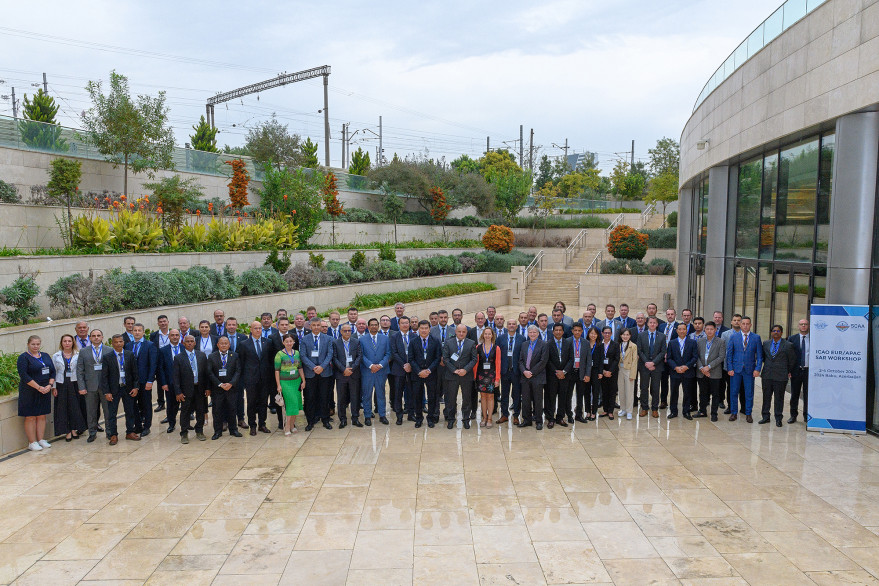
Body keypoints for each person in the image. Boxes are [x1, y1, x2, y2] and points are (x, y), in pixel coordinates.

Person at [18, 335, 55, 451]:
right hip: (30, 391)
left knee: (42, 415)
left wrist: (49, 385)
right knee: (31, 417)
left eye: (38, 344)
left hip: (45, 390)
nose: (35, 346)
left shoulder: (45, 355)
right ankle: (32, 442)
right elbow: (24, 376)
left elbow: (53, 371)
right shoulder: (23, 357)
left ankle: (41, 439)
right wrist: (39, 387)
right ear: (28, 344)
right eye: (33, 344)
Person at [101, 334, 140, 444]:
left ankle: (130, 432)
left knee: (130, 411)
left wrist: (136, 387)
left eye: (120, 342)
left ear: (123, 342)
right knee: (112, 413)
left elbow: (135, 373)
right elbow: (104, 376)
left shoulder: (129, 354)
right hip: (114, 390)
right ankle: (113, 435)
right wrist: (107, 392)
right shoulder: (107, 357)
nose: (118, 344)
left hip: (128, 388)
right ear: (112, 343)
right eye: (116, 342)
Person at [76, 329, 113, 442]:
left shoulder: (109, 350)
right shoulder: (83, 351)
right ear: (90, 338)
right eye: (93, 336)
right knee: (91, 411)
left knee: (108, 411)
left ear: (102, 337)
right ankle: (92, 432)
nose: (96, 337)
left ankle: (110, 432)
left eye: (98, 335)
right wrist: (81, 387)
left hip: (106, 387)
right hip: (90, 387)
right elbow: (80, 370)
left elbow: (113, 370)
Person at [726, 316, 763, 423]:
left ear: (751, 325)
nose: (745, 326)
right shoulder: (734, 337)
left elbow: (759, 356)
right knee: (733, 392)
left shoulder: (756, 338)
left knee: (749, 392)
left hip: (749, 370)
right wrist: (730, 368)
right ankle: (733, 413)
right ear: (740, 325)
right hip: (735, 370)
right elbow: (730, 354)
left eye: (748, 324)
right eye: (743, 324)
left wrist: (757, 369)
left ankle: (748, 413)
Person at [173, 334, 209, 443]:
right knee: (185, 412)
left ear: (195, 343)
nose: (189, 343)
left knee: (200, 410)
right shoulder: (179, 357)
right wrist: (178, 392)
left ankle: (199, 431)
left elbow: (206, 374)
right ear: (183, 344)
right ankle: (184, 433)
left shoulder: (201, 355)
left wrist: (207, 388)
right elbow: (176, 377)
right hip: (186, 390)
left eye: (191, 341)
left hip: (200, 388)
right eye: (187, 341)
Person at [300, 317, 335, 431]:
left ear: (321, 326)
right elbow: (303, 356)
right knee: (310, 397)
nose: (316, 327)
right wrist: (313, 367)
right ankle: (310, 421)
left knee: (324, 397)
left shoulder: (328, 339)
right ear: (310, 326)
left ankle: (325, 419)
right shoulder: (304, 339)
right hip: (310, 373)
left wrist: (322, 367)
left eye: (318, 325)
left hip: (325, 373)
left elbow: (330, 354)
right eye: (313, 325)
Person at [760, 325, 797, 427]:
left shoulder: (788, 345)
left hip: (781, 376)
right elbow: (763, 358)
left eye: (778, 331)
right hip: (767, 374)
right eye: (774, 331)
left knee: (779, 398)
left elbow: (792, 360)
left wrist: (787, 371)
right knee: (766, 397)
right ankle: (765, 416)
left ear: (781, 333)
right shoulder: (766, 343)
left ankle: (778, 418)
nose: (776, 332)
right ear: (771, 332)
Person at [240, 322, 272, 435]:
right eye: (256, 328)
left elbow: (270, 360)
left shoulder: (268, 342)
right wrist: (243, 380)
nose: (258, 330)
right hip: (251, 379)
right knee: (251, 403)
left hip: (265, 378)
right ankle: (252, 425)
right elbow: (241, 363)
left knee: (264, 402)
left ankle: (262, 424)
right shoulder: (244, 344)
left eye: (260, 328)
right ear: (251, 329)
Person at [443, 324, 477, 429]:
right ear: (456, 332)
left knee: (466, 399)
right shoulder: (448, 342)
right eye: (459, 332)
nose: (461, 334)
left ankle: (466, 419)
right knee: (451, 399)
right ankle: (451, 419)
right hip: (452, 375)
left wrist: (465, 370)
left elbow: (474, 359)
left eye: (464, 332)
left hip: (466, 376)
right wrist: (454, 370)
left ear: (466, 333)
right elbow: (446, 358)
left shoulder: (471, 343)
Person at [406, 320, 440, 428]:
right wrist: (419, 371)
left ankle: (430, 418)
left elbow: (438, 358)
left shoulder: (435, 341)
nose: (424, 330)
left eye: (426, 328)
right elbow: (411, 359)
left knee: (432, 397)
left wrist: (429, 370)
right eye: (422, 328)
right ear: (418, 329)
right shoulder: (413, 341)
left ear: (429, 329)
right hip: (417, 374)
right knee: (417, 397)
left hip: (431, 374)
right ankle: (419, 418)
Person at [52, 334, 85, 441]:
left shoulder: (78, 355)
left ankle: (74, 429)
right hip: (61, 384)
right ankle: (67, 431)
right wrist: (54, 387)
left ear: (73, 343)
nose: (67, 343)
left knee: (74, 407)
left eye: (69, 341)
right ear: (61, 343)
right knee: (62, 408)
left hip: (74, 384)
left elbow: (81, 371)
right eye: (65, 341)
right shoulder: (56, 356)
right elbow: (53, 372)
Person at [208, 335, 242, 440]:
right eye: (221, 343)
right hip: (217, 389)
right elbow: (210, 373)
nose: (223, 345)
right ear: (218, 345)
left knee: (232, 409)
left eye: (226, 343)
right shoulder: (212, 356)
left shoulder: (235, 355)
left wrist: (231, 383)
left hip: (231, 388)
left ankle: (233, 430)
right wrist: (219, 384)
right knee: (217, 411)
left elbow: (238, 371)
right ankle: (217, 432)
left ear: (229, 344)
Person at [127, 323, 157, 437]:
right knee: (133, 405)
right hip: (132, 382)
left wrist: (150, 381)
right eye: (135, 330)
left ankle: (147, 426)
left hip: (145, 381)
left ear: (143, 332)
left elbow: (153, 364)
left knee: (146, 404)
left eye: (139, 330)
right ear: (132, 332)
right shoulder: (128, 345)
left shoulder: (150, 345)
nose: (137, 332)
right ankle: (138, 425)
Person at [360, 318, 391, 426]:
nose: (373, 327)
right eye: (371, 325)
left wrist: (380, 365)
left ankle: (382, 415)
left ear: (378, 326)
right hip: (367, 371)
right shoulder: (362, 339)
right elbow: (361, 355)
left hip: (381, 371)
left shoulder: (385, 338)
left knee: (381, 394)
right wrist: (371, 365)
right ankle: (367, 415)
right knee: (367, 395)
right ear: (368, 327)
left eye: (375, 325)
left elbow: (388, 354)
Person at [518, 325, 548, 429]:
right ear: (527, 333)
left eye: (534, 332)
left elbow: (543, 361)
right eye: (530, 332)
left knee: (538, 400)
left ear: (538, 333)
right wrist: (524, 371)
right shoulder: (524, 344)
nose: (532, 334)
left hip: (537, 376)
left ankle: (539, 421)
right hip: (525, 376)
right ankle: (527, 420)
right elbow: (520, 360)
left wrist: (531, 372)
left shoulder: (543, 344)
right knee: (525, 400)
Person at [274, 333, 304, 435]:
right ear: (283, 342)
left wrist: (303, 380)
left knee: (296, 403)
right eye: (287, 341)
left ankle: (292, 425)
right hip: (285, 382)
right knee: (291, 404)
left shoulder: (296, 353)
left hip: (296, 381)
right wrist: (278, 385)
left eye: (291, 341)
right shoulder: (279, 354)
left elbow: (300, 368)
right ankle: (286, 426)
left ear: (294, 342)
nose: (289, 343)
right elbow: (277, 371)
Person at [666, 323, 697, 420]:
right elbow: (669, 358)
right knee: (674, 392)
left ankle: (686, 411)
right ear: (677, 331)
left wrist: (686, 366)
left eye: (684, 329)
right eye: (680, 329)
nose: (682, 331)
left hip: (688, 372)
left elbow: (695, 357)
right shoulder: (672, 342)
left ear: (686, 330)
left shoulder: (692, 342)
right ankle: (673, 411)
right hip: (675, 372)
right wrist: (676, 367)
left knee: (687, 392)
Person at [333, 324, 362, 428]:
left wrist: (352, 369)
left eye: (349, 331)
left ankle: (355, 418)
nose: (347, 333)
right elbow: (334, 358)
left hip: (354, 374)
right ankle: (343, 419)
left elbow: (359, 356)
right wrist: (343, 369)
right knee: (341, 398)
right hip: (341, 375)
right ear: (341, 332)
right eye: (345, 331)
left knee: (355, 397)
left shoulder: (356, 342)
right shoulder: (335, 343)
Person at [696, 322, 726, 421]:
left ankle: (714, 413)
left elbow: (721, 357)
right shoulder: (700, 341)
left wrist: (708, 367)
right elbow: (696, 356)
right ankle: (702, 411)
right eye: (707, 329)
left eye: (711, 329)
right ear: (704, 330)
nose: (709, 331)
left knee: (715, 394)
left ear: (715, 330)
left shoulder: (720, 341)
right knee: (703, 393)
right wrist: (702, 368)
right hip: (701, 372)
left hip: (714, 372)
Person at [637, 317, 667, 418]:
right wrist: (647, 362)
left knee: (655, 388)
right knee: (644, 387)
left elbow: (663, 352)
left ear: (657, 324)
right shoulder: (641, 335)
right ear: (647, 324)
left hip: (656, 367)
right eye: (651, 322)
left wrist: (653, 363)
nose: (652, 324)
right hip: (644, 366)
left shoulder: (662, 336)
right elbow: (639, 350)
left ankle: (654, 408)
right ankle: (644, 408)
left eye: (654, 323)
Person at [497, 318, 524, 425]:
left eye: (514, 324)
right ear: (506, 326)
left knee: (517, 394)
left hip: (516, 371)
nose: (512, 326)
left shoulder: (522, 339)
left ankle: (516, 415)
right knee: (504, 394)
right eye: (509, 324)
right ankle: (504, 415)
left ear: (516, 327)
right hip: (504, 371)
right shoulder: (500, 338)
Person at [222, 317, 248, 429]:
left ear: (237, 326)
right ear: (226, 326)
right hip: (225, 374)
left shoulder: (243, 337)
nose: (231, 326)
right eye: (229, 324)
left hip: (240, 373)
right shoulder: (221, 339)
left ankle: (241, 419)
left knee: (240, 397)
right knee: (225, 397)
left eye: (233, 324)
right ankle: (225, 421)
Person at [545, 323, 573, 428]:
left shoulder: (568, 343)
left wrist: (564, 371)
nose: (558, 332)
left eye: (560, 330)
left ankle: (560, 417)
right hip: (553, 376)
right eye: (556, 330)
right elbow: (547, 360)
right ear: (553, 332)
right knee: (551, 398)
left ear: (563, 331)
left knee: (563, 397)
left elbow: (571, 359)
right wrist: (556, 372)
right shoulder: (548, 344)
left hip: (565, 376)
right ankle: (550, 418)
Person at [390, 316, 416, 425]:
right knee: (398, 394)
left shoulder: (414, 336)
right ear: (399, 325)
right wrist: (404, 364)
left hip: (412, 369)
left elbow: (417, 352)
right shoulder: (394, 336)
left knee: (411, 393)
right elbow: (394, 352)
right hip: (398, 369)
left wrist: (410, 364)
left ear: (409, 324)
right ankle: (399, 416)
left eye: (407, 323)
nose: (405, 325)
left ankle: (411, 414)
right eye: (402, 323)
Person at [157, 329, 183, 433]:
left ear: (179, 336)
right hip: (170, 382)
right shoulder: (163, 350)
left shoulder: (184, 348)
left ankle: (185, 424)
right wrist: (163, 383)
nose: (175, 337)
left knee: (185, 404)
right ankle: (171, 424)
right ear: (169, 337)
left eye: (177, 335)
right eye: (172, 335)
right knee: (171, 404)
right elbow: (161, 368)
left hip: (183, 382)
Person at [474, 326, 501, 428]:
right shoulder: (478, 347)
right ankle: (484, 418)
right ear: (483, 335)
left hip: (491, 375)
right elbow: (476, 362)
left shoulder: (496, 348)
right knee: (483, 396)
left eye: (489, 334)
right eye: (486, 334)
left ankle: (490, 418)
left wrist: (497, 379)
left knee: (490, 397)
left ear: (492, 335)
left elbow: (498, 363)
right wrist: (474, 376)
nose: (487, 335)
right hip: (480, 375)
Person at [788, 318, 810, 423]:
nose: (804, 326)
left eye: (805, 324)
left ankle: (807, 416)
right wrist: (789, 370)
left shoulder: (814, 339)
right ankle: (793, 415)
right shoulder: (792, 339)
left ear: (808, 326)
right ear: (798, 326)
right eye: (801, 324)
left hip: (808, 371)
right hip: (796, 371)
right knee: (795, 394)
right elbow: (788, 356)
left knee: (808, 395)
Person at [149, 315, 172, 413]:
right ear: (158, 323)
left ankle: (172, 402)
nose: (163, 323)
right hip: (159, 361)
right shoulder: (153, 335)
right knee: (160, 383)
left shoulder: (173, 333)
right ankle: (161, 403)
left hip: (170, 361)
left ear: (168, 322)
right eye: (161, 322)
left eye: (164, 321)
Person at [721, 314, 743, 414]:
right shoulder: (725, 334)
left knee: (743, 388)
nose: (736, 322)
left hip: (742, 366)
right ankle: (730, 407)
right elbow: (723, 351)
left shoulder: (746, 334)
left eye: (739, 320)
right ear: (731, 322)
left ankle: (743, 408)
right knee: (731, 388)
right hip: (729, 366)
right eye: (734, 320)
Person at [570, 323, 592, 424]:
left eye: (579, 330)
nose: (577, 332)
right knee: (568, 395)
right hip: (570, 372)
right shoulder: (568, 341)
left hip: (581, 372)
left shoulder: (586, 343)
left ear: (582, 331)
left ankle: (579, 415)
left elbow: (588, 360)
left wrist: (587, 374)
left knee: (580, 395)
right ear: (572, 331)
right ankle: (569, 414)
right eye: (575, 330)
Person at [598, 326, 620, 419]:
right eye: (605, 333)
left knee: (612, 391)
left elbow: (616, 359)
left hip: (612, 372)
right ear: (602, 334)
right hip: (602, 371)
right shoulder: (599, 344)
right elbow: (598, 359)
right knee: (604, 391)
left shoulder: (615, 345)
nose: (607, 334)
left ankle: (611, 411)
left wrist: (610, 371)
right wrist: (602, 371)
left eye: (609, 333)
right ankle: (605, 410)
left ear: (611, 334)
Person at [581, 327, 602, 422]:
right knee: (586, 391)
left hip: (596, 371)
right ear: (588, 334)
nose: (593, 335)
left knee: (595, 392)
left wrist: (600, 372)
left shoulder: (600, 345)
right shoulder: (584, 344)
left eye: (595, 334)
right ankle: (588, 412)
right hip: (586, 371)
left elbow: (602, 360)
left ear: (597, 335)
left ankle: (594, 412)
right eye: (591, 333)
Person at [617, 329, 638, 420]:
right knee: (621, 390)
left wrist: (633, 375)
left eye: (627, 335)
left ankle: (629, 411)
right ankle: (623, 409)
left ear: (630, 336)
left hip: (629, 370)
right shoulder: (619, 345)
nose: (625, 336)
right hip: (620, 370)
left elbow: (634, 361)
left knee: (629, 391)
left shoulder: (633, 346)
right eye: (623, 334)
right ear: (621, 335)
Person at [659, 308, 678, 409]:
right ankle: (663, 401)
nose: (670, 316)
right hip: (662, 359)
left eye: (672, 314)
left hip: (674, 359)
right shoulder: (661, 326)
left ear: (675, 315)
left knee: (674, 382)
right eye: (668, 314)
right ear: (666, 315)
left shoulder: (679, 327)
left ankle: (673, 402)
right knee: (663, 381)